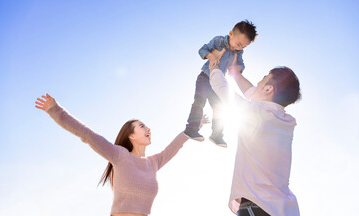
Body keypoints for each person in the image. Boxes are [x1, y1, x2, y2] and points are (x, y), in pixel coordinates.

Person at [35, 94, 208, 216]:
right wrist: (55, 110)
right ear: (131, 135)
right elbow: (87, 134)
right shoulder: (119, 155)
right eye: (142, 126)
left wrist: (193, 128)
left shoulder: (153, 163)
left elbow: (174, 147)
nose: (148, 129)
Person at [209, 49, 301, 216]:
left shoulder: (255, 112)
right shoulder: (285, 121)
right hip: (283, 209)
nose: (257, 84)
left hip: (257, 208)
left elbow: (221, 87)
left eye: (261, 80)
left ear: (268, 89)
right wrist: (236, 74)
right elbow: (253, 93)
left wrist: (214, 67)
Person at [184, 20, 257, 148]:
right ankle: (191, 129)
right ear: (231, 34)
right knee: (199, 102)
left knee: (219, 107)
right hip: (204, 77)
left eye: (243, 47)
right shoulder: (218, 41)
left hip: (216, 83)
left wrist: (238, 68)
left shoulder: (238, 52)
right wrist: (212, 56)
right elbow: (202, 49)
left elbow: (241, 64)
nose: (239, 48)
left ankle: (216, 135)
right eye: (238, 44)